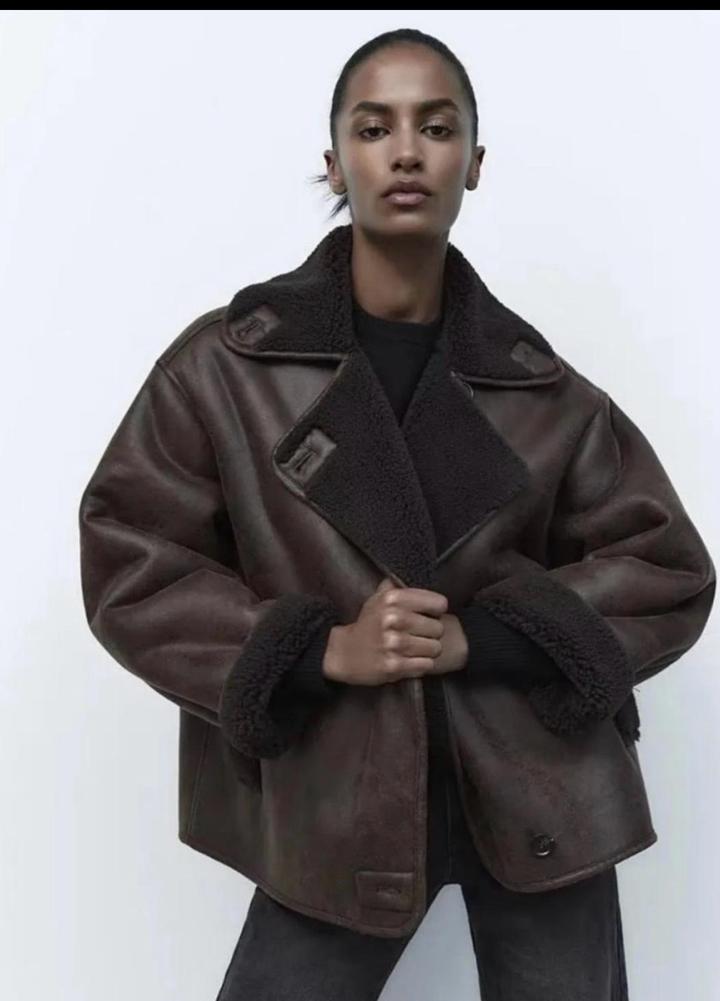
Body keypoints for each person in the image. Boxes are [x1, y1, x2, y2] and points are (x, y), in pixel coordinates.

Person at [78, 27, 715, 1001]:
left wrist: (486, 636)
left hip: (541, 793)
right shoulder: (226, 370)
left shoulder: (544, 390)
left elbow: (667, 568)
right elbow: (130, 555)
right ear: (335, 162)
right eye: (375, 128)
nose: (407, 151)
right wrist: (318, 650)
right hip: (339, 791)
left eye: (437, 127)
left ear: (475, 163)